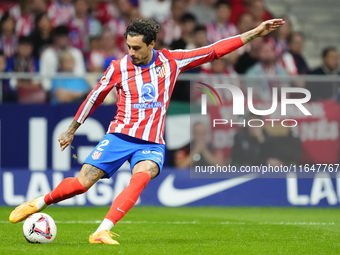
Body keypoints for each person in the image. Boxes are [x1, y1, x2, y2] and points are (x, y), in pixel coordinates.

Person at [9, 18, 285, 244]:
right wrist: (72, 129)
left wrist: (254, 33)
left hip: (151, 142)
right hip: (119, 136)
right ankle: (39, 202)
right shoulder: (118, 67)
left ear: (152, 44)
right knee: (82, 184)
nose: (131, 53)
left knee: (144, 174)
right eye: (128, 46)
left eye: (137, 48)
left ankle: (102, 230)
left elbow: (214, 50)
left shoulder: (172, 61)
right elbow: (94, 96)